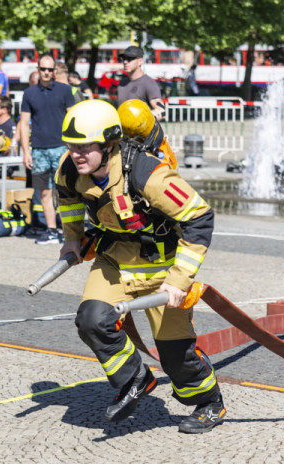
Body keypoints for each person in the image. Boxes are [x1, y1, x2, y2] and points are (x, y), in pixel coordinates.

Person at [55, 99, 226, 433]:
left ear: (109, 144)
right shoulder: (70, 168)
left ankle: (210, 402)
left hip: (162, 267)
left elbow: (200, 216)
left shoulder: (147, 173)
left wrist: (179, 280)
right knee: (91, 321)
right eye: (72, 146)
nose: (76, 154)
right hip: (115, 257)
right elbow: (67, 198)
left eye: (86, 146)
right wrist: (73, 238)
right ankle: (135, 378)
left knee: (177, 358)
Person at [20, 54, 76, 244]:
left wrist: (74, 147)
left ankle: (69, 232)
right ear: (38, 70)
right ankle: (51, 230)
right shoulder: (29, 94)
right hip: (38, 150)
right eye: (43, 69)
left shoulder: (65, 91)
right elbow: (24, 124)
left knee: (65, 192)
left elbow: (73, 119)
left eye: (49, 69)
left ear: (54, 71)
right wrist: (26, 151)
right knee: (44, 192)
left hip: (61, 148)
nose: (46, 72)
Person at [117, 45, 165, 120]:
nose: (125, 62)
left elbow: (162, 111)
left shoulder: (149, 83)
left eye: (129, 58)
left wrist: (142, 118)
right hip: (125, 131)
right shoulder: (122, 83)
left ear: (140, 61)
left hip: (143, 130)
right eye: (124, 58)